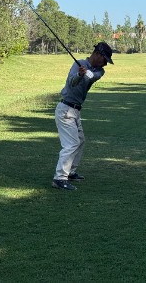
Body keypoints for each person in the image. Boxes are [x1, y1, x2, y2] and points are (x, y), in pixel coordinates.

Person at [52, 42, 114, 190]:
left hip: (75, 111)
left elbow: (92, 77)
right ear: (97, 54)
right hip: (66, 109)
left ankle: (70, 172)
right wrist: (79, 74)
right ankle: (59, 178)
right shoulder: (78, 64)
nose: (105, 64)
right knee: (71, 144)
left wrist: (85, 74)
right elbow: (71, 83)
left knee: (80, 141)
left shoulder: (100, 71)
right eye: (104, 59)